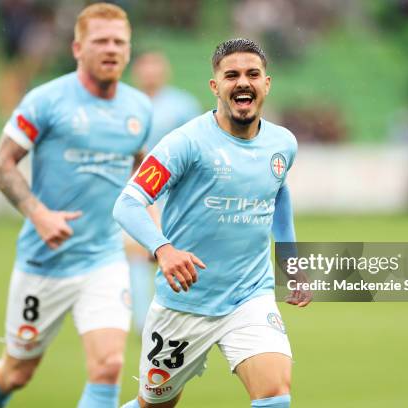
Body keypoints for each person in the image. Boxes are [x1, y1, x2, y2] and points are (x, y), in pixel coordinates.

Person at [115, 38, 311, 408]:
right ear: (215, 86)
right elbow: (127, 204)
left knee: (275, 395)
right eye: (231, 75)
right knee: (155, 405)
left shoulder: (282, 143)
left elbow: (279, 194)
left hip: (249, 295)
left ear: (266, 84)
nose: (243, 82)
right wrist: (164, 249)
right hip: (185, 303)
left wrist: (292, 264)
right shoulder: (185, 143)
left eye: (253, 74)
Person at [0, 3, 151, 407]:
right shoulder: (46, 100)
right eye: (101, 41)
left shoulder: (138, 108)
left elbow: (142, 176)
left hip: (104, 259)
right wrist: (38, 214)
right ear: (77, 48)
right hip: (45, 262)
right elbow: (1, 165)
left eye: (119, 42)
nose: (111, 49)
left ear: (128, 49)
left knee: (108, 365)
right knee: (16, 373)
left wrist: (153, 231)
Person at [126, 51, 202, 334]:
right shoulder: (126, 105)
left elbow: (197, 146)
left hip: (172, 192)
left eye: (155, 67)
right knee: (136, 254)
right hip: (138, 191)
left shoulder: (182, 105)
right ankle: (143, 320)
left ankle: (179, 313)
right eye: (145, 68)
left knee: (174, 253)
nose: (150, 74)